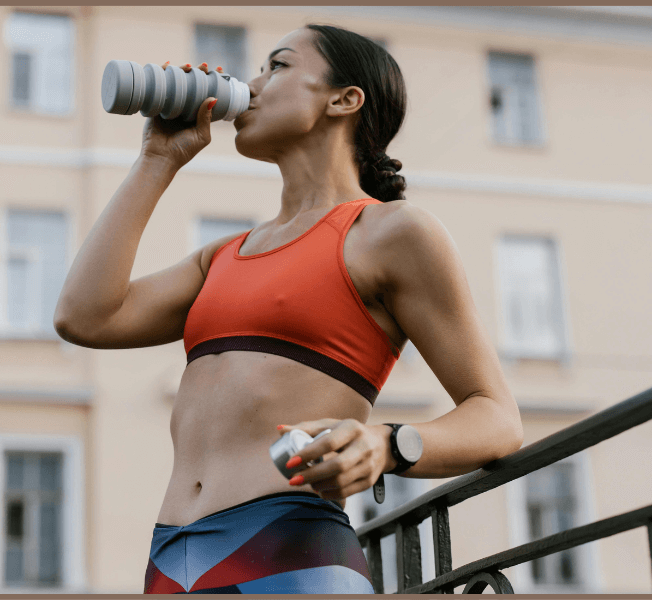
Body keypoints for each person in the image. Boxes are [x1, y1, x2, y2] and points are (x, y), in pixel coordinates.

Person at [54, 23, 524, 594]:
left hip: (288, 548)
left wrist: (387, 444)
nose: (251, 85)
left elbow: (496, 417)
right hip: (169, 558)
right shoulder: (222, 255)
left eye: (276, 66)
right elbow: (84, 316)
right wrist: (158, 158)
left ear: (343, 99)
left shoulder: (392, 233)